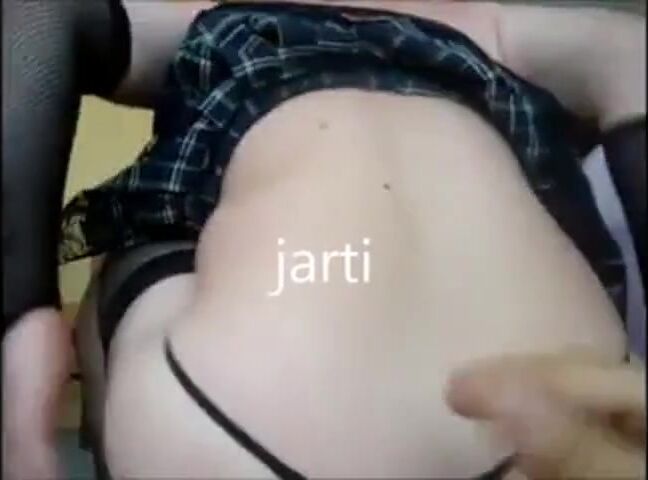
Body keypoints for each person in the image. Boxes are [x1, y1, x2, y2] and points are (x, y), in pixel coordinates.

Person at [2, 1, 645, 478]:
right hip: (554, 431)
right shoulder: (500, 33)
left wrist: (27, 326)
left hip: (238, 426)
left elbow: (41, 13)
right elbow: (631, 56)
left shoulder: (227, 22)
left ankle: (30, 408)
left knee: (145, 238)